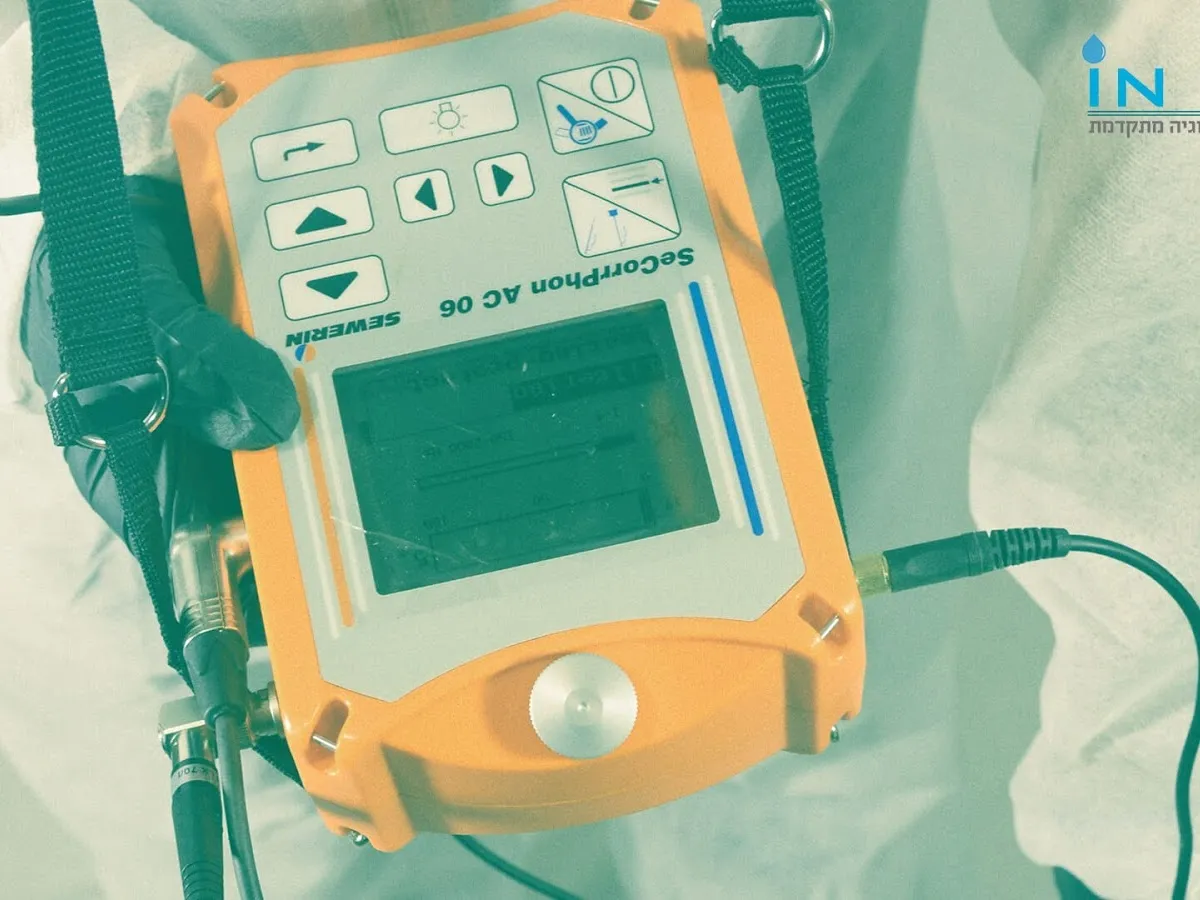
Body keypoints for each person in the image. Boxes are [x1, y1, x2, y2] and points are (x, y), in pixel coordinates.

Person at [0, 0, 1195, 897]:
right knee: (278, 833)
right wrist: (82, 185)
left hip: (760, 218)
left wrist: (1152, 797)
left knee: (813, 817)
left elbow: (1162, 60)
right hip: (169, 358)